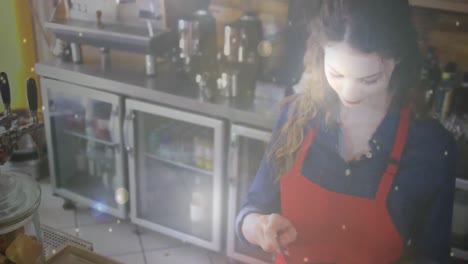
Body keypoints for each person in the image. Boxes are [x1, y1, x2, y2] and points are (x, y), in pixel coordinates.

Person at [236, 0, 457, 263]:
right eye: (336, 74)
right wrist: (257, 226)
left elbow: (433, 257)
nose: (349, 94)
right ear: (322, 53)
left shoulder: (431, 147)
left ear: (397, 58)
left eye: (369, 79)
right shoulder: (296, 118)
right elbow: (250, 210)